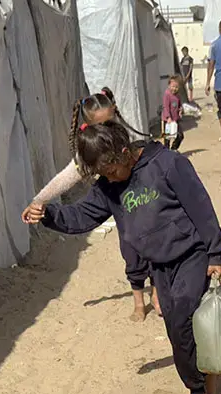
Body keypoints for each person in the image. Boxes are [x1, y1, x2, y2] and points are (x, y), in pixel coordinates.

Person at [26, 121, 221, 394]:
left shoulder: (168, 164)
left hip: (192, 254)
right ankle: (204, 378)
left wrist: (215, 251)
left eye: (112, 171)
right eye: (103, 175)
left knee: (183, 317)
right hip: (159, 266)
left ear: (125, 152)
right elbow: (81, 216)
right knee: (177, 328)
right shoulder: (109, 187)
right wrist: (49, 214)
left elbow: (200, 205)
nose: (110, 178)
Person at [20, 88, 159, 321]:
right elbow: (70, 183)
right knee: (132, 254)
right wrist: (40, 203)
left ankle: (158, 294)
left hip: (150, 216)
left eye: (110, 122)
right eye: (101, 126)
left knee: (157, 250)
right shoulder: (97, 170)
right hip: (125, 216)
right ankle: (139, 302)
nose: (108, 130)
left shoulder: (138, 149)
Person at [162, 76, 184, 152]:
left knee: (180, 135)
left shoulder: (177, 95)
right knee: (167, 138)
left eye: (176, 87)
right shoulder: (167, 94)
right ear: (169, 85)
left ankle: (174, 148)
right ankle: (166, 152)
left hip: (175, 119)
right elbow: (165, 106)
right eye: (173, 86)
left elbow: (179, 104)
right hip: (167, 120)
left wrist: (181, 110)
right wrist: (168, 117)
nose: (174, 89)